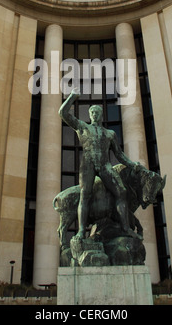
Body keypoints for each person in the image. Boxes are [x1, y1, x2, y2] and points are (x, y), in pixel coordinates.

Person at [58, 88, 138, 240]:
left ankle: (125, 228)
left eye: (97, 113)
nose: (94, 115)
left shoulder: (109, 134)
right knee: (85, 195)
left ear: (101, 115)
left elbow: (120, 155)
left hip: (104, 165)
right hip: (87, 164)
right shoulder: (83, 127)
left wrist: (133, 165)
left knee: (121, 191)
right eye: (92, 113)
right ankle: (82, 231)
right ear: (89, 115)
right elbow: (63, 113)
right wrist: (71, 97)